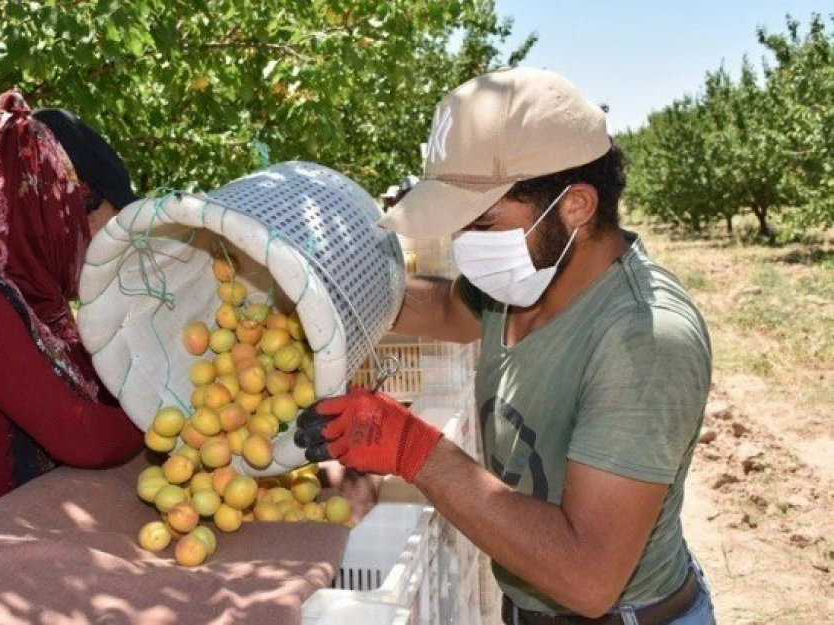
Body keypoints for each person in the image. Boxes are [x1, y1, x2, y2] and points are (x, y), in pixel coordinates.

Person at [296, 67, 715, 624]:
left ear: (576, 207)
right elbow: (447, 308)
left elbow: (587, 577)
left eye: (483, 224)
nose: (464, 245)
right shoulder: (527, 277)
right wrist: (320, 300)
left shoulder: (645, 339)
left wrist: (411, 448)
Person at [0, 92, 144, 542]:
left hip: (19, 546)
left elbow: (110, 397)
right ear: (57, 210)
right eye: (104, 227)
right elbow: (86, 437)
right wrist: (176, 410)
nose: (110, 248)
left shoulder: (39, 307)